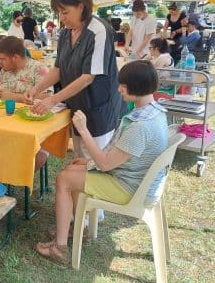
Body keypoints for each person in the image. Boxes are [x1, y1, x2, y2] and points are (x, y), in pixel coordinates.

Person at [35, 60, 168, 265]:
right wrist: (88, 162)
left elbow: (106, 164)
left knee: (63, 179)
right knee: (74, 168)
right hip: (138, 181)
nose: (119, 89)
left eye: (123, 86)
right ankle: (81, 227)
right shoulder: (156, 112)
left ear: (137, 86)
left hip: (129, 188)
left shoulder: (140, 126)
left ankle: (59, 247)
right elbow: (118, 157)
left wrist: (84, 130)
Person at [24, 0, 125, 165]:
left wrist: (52, 100)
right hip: (77, 106)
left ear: (81, 6)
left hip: (99, 108)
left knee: (96, 164)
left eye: (65, 12)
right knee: (79, 159)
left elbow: (88, 77)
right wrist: (36, 88)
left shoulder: (99, 31)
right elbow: (58, 70)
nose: (62, 18)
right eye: (59, 14)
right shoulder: (64, 34)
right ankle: (79, 193)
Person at [0, 36, 49, 169]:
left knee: (31, 160)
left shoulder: (38, 68)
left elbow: (47, 97)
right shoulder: (4, 71)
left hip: (31, 131)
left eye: (2, 59)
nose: (0, 62)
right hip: (3, 127)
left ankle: (7, 176)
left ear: (15, 57)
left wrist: (14, 97)